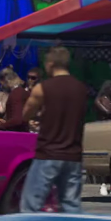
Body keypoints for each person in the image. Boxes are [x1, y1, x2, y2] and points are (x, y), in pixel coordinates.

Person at [18, 46, 88, 212]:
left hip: (48, 152)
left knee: (31, 205)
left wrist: (40, 114)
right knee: (71, 206)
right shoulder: (81, 89)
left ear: (50, 64)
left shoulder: (42, 88)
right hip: (73, 154)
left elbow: (26, 114)